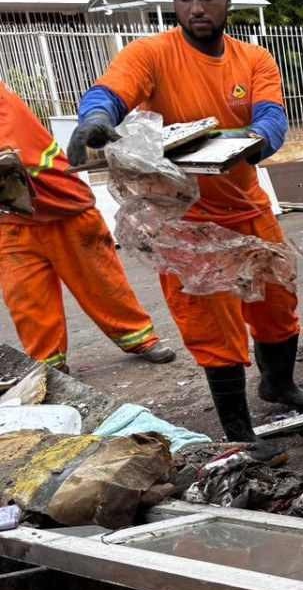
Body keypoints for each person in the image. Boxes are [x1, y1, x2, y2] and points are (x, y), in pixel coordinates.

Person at [67, 0, 303, 453]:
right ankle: (238, 430)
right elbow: (110, 93)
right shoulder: (151, 55)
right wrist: (95, 120)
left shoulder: (253, 60)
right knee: (212, 321)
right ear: (174, 2)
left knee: (276, 303)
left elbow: (271, 116)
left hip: (246, 207)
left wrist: (258, 142)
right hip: (181, 220)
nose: (196, 8)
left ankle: (278, 383)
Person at [0, 83, 175, 373]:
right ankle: (49, 365)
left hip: (64, 208)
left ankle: (139, 338)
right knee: (27, 301)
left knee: (103, 285)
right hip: (13, 221)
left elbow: (9, 157)